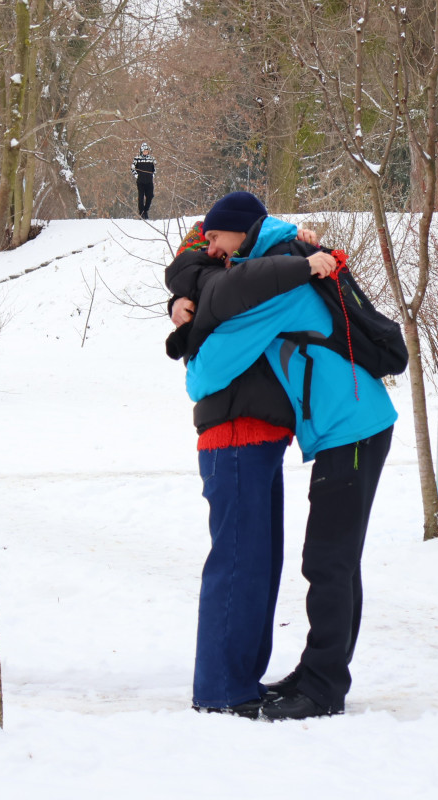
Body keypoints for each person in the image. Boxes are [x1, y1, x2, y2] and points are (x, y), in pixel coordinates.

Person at [182, 191, 397, 721]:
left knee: (329, 560)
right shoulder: (283, 260)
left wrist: (190, 334)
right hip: (347, 426)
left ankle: (324, 687)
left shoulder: (280, 282)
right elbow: (199, 268)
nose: (211, 247)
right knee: (334, 560)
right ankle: (318, 672)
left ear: (241, 232)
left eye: (216, 237)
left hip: (351, 427)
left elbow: (205, 374)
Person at [165, 219, 337, 718]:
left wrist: (299, 244)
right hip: (235, 432)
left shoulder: (221, 273)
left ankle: (239, 679)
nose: (218, 247)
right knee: (240, 562)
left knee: (259, 564)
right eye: (212, 243)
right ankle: (221, 688)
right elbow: (227, 280)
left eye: (222, 239)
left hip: (260, 435)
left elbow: (247, 274)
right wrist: (301, 260)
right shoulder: (210, 275)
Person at [132, 143, 156, 220]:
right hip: (140, 181)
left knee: (150, 196)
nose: (146, 152)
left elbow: (154, 169)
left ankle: (146, 211)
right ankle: (141, 213)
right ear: (141, 151)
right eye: (144, 151)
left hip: (149, 181)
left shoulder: (151, 159)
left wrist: (153, 175)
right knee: (141, 197)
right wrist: (136, 175)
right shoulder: (137, 159)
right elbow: (132, 168)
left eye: (147, 151)